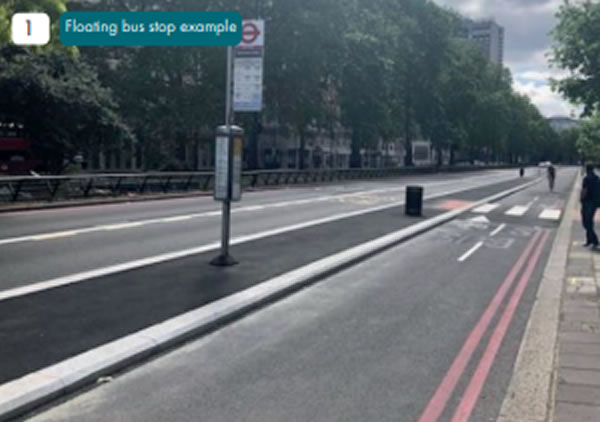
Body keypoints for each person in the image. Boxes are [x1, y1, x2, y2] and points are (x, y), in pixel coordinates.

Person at [581, 164, 600, 248]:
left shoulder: (586, 179)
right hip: (595, 202)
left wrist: (581, 199)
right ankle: (589, 240)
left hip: (588, 202)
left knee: (586, 222)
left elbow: (584, 190)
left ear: (587, 169)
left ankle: (594, 241)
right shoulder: (597, 178)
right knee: (589, 222)